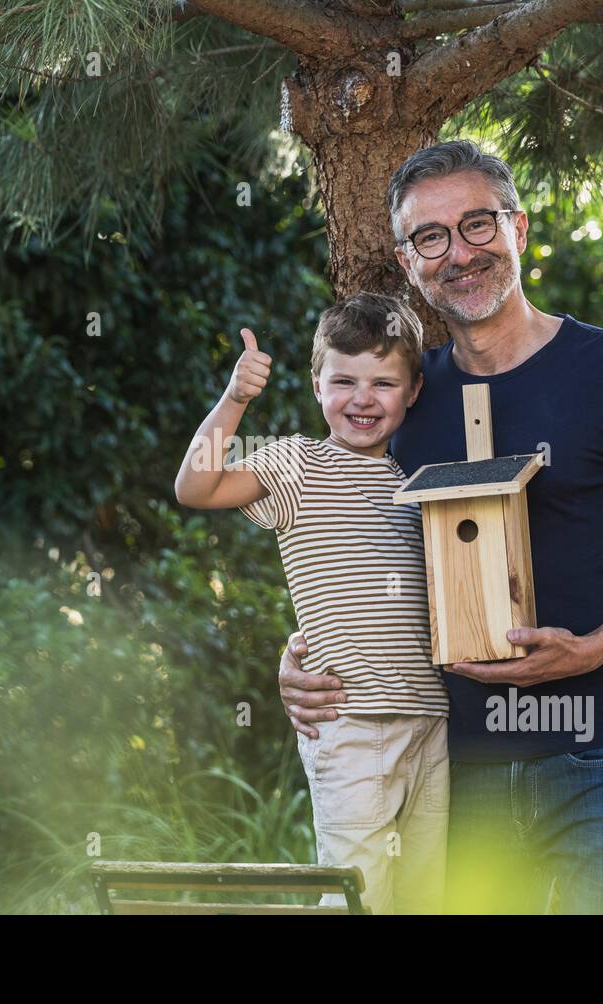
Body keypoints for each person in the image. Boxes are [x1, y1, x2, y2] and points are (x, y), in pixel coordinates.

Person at [276, 140, 603, 914]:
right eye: (431, 237)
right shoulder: (404, 401)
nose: (458, 254)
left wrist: (592, 648)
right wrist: (297, 658)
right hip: (467, 768)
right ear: (407, 260)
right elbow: (345, 545)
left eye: (477, 225)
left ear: (519, 229)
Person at [174, 293, 449, 914]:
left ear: (412, 392)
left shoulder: (424, 481)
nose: (363, 398)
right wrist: (237, 398)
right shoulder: (299, 463)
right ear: (316, 385)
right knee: (356, 891)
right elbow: (196, 486)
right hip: (350, 722)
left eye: (384, 383)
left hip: (433, 718)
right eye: (344, 380)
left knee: (426, 895)